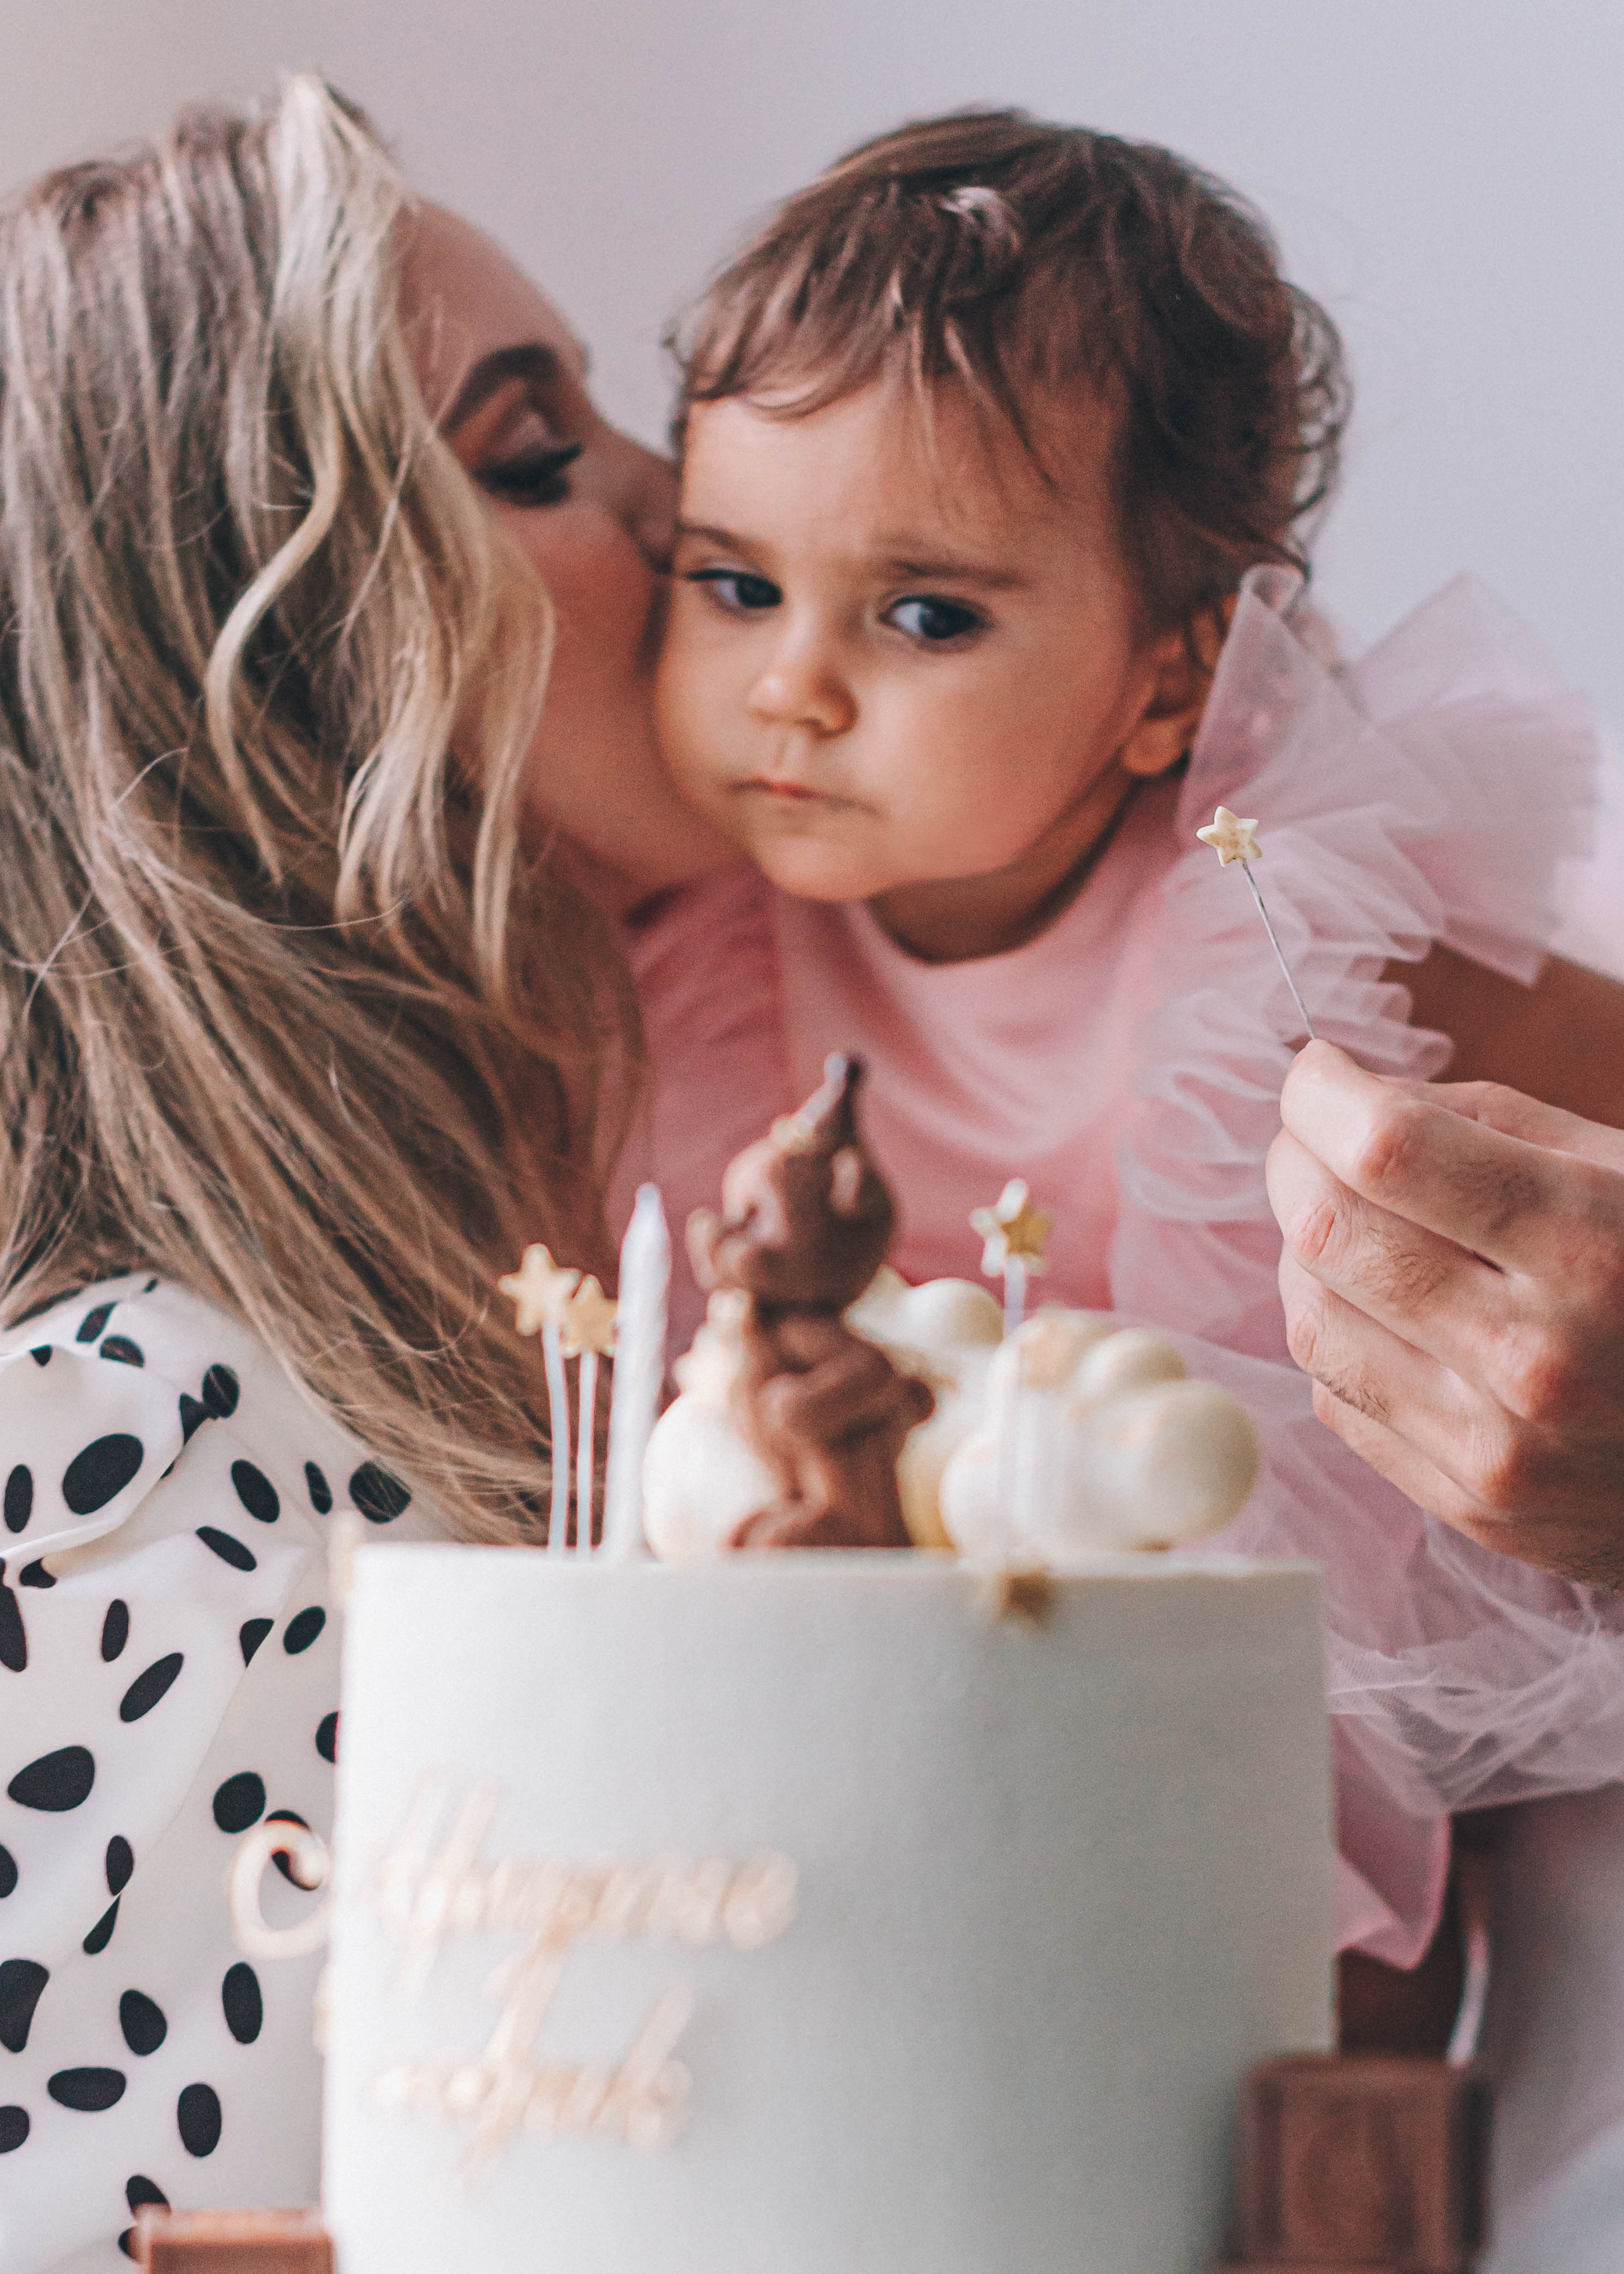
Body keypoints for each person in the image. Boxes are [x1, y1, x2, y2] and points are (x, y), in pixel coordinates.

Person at [648, 108, 1624, 1973]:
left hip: (1207, 1671)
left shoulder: (1289, 928)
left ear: (1166, 683)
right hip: (850, 1686)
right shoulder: (694, 938)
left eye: (922, 613)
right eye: (733, 582)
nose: (792, 683)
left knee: (1275, 1978)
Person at [0, 79, 740, 2268]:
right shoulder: (179, 1444)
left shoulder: (554, 1312)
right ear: (301, 678)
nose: (685, 506)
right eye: (535, 458)